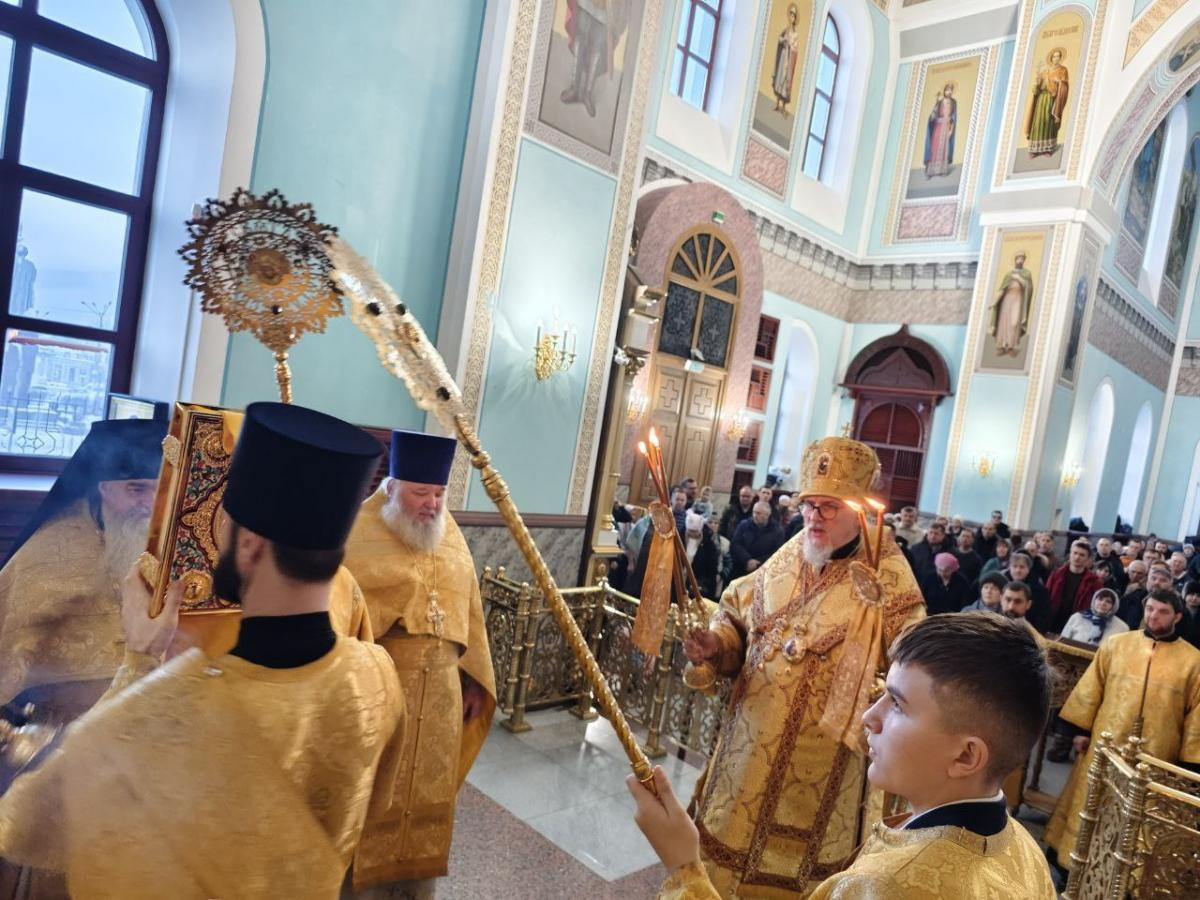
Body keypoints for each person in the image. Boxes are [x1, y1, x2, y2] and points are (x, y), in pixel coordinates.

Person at [0, 402, 406, 899]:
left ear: (250, 545)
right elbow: (375, 804)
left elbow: (23, 826)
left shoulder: (160, 715)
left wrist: (140, 659)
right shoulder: (379, 678)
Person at [632, 614, 1056, 899]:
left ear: (965, 756)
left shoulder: (882, 887)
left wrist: (684, 868)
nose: (869, 716)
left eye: (897, 704)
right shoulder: (1023, 848)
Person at [679, 436, 925, 896]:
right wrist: (716, 643)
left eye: (829, 507)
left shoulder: (887, 574)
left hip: (820, 769)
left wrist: (872, 691)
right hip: (745, 757)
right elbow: (737, 615)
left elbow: (914, 670)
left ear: (858, 510)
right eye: (810, 505)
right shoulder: (795, 550)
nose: (814, 517)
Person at [342, 430, 496, 894]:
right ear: (391, 489)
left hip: (443, 698)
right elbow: (340, 620)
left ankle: (415, 889)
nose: (432, 504)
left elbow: (469, 611)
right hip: (383, 693)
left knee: (429, 795)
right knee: (375, 795)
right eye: (421, 493)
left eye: (439, 494)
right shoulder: (357, 533)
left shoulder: (450, 536)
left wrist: (472, 681)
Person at [1044, 590, 1200, 875]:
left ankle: (1127, 880)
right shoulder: (1117, 645)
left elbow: (1196, 717)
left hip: (1156, 758)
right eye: (1150, 609)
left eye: (1162, 611)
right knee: (1092, 802)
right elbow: (1092, 689)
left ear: (1177, 616)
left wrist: (1187, 765)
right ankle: (1072, 866)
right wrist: (1080, 730)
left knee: (1140, 816)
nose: (1153, 616)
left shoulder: (1193, 661)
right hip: (1106, 746)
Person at [1046, 539, 1104, 634]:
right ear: (1070, 554)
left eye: (1082, 555)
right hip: (1053, 621)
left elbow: (1095, 607)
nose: (1077, 557)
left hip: (1079, 624)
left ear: (1088, 559)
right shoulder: (1056, 575)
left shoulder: (1095, 582)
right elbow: (1046, 597)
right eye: (1075, 553)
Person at [1025, 48, 1069, 158]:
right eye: (1054, 56)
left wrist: (1060, 82)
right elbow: (1036, 90)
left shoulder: (1063, 70)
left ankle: (1047, 150)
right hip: (1041, 101)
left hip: (1051, 100)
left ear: (1060, 58)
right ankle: (1034, 150)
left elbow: (1065, 87)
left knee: (1048, 122)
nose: (1056, 58)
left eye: (1058, 56)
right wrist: (1037, 84)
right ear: (1051, 58)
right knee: (1038, 123)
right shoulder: (1044, 72)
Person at [729, 501, 784, 579]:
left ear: (767, 515)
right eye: (754, 512)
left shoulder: (777, 531)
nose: (755, 515)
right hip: (741, 567)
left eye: (758, 513)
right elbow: (735, 544)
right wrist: (747, 560)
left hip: (763, 571)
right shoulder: (743, 525)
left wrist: (758, 562)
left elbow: (778, 551)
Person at [1059, 588, 1129, 646]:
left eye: (1108, 602)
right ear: (1094, 600)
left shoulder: (1122, 628)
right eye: (1100, 599)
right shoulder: (1077, 617)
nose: (1103, 603)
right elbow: (1062, 642)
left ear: (1114, 606)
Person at [1003, 552, 1051, 632]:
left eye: (1022, 567)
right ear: (1009, 568)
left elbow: (1044, 617)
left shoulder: (1040, 591)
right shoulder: (1001, 585)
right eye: (1014, 566)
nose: (1018, 570)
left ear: (1028, 569)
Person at [683, 510, 720, 601]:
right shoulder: (679, 539)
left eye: (695, 532)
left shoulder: (709, 545)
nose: (692, 534)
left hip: (698, 587)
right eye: (690, 531)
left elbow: (712, 571)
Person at [923, 82, 957, 178]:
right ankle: (931, 171)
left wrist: (951, 129)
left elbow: (953, 118)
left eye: (950, 90)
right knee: (935, 146)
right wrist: (932, 115)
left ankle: (941, 170)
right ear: (944, 91)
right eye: (947, 90)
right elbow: (934, 114)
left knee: (944, 148)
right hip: (938, 125)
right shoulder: (940, 102)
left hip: (946, 127)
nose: (948, 92)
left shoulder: (953, 103)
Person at [771, 3, 801, 114]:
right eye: (791, 15)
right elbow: (780, 38)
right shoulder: (786, 30)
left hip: (789, 59)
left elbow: (795, 47)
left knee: (786, 81)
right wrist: (783, 40)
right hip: (783, 56)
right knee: (780, 79)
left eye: (793, 15)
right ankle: (777, 103)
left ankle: (783, 106)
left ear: (795, 19)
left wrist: (790, 45)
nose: (791, 17)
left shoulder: (795, 34)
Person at [1117, 559, 1149, 630]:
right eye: (1133, 572)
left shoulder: (1145, 590)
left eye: (1139, 573)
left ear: (1145, 575)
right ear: (1128, 571)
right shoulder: (1118, 581)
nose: (1135, 575)